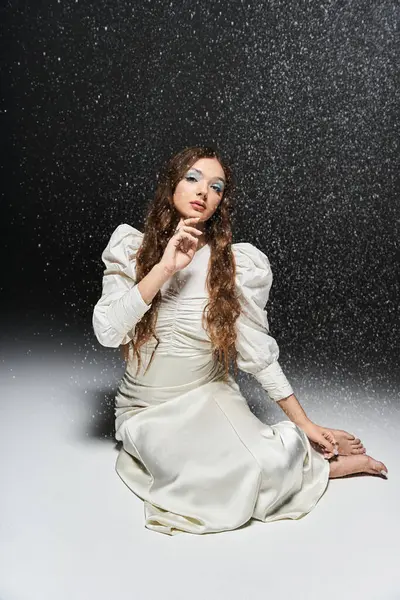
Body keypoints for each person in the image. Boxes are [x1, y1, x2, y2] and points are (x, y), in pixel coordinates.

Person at [92, 145, 388, 536]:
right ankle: (306, 465)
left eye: (216, 187)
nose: (204, 192)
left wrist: (305, 422)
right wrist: (164, 268)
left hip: (209, 393)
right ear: (171, 185)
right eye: (193, 178)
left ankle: (318, 461)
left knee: (252, 464)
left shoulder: (233, 263)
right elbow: (108, 332)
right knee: (203, 487)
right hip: (146, 409)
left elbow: (257, 355)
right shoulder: (131, 247)